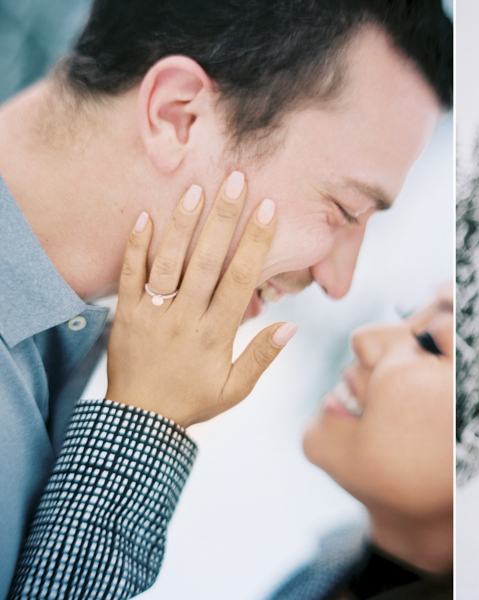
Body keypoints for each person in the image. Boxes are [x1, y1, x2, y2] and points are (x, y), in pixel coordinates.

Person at [0, 1, 451, 596]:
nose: (338, 279)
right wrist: (138, 430)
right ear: (177, 115)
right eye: (345, 210)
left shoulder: (53, 342)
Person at [11, 170, 453, 599]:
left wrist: (142, 419)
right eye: (406, 314)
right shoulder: (335, 570)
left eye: (431, 343)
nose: (364, 339)